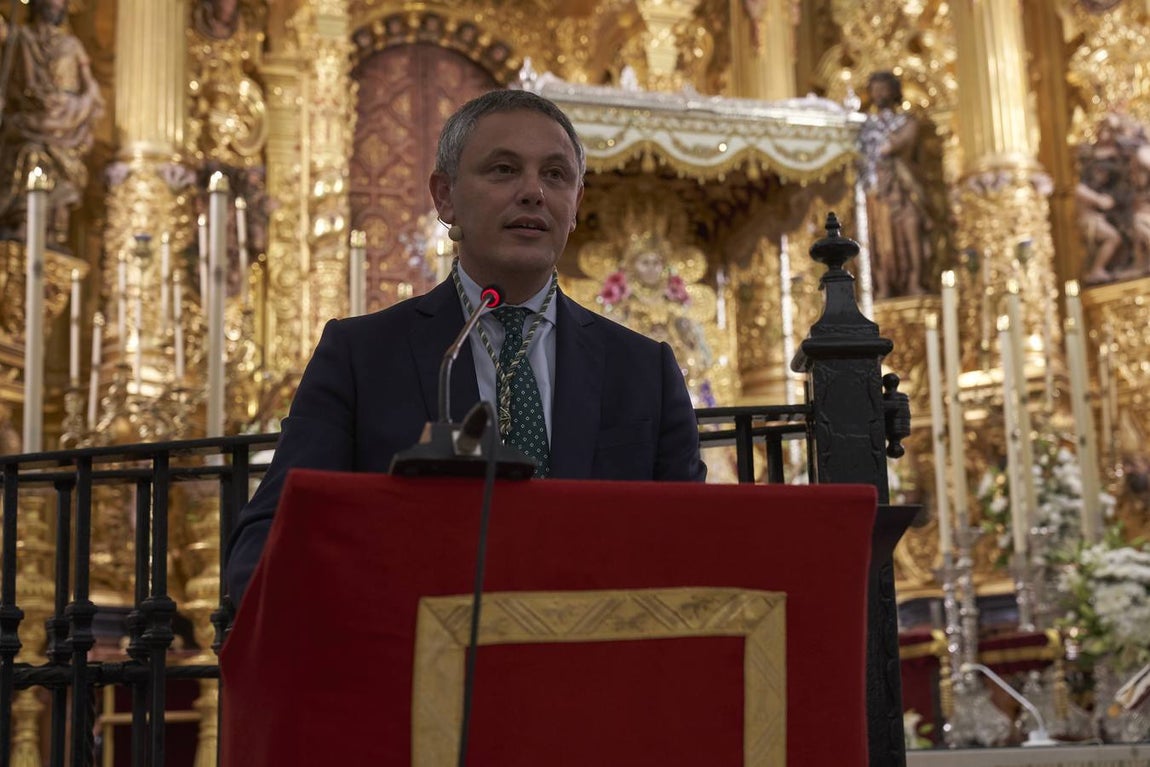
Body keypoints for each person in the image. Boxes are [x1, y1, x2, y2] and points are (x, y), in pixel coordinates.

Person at [225, 89, 707, 605]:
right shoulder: (362, 356)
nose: (533, 192)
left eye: (555, 175)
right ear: (445, 197)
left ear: (575, 206)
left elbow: (693, 544)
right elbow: (270, 540)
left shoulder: (644, 370)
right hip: (414, 643)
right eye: (503, 170)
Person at [0, 0, 104, 244]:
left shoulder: (72, 45)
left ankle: (55, 230)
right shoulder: (22, 38)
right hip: (30, 121)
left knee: (63, 169)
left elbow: (91, 89)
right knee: (31, 155)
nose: (54, 4)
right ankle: (24, 223)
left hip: (65, 123)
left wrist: (81, 107)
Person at [858, 71, 930, 299]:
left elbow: (893, 145)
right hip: (876, 191)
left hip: (903, 187)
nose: (879, 93)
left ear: (894, 91)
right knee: (880, 240)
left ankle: (914, 281)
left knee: (910, 233)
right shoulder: (865, 125)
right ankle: (882, 286)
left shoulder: (908, 122)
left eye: (884, 88)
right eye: (875, 89)